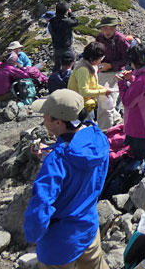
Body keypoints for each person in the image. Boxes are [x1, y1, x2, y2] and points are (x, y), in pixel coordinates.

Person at [24, 89, 110, 269]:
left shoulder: (56, 162)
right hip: (88, 226)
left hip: (60, 242)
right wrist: (51, 151)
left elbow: (41, 205)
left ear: (58, 122)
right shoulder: (98, 138)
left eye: (46, 116)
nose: (43, 119)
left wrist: (32, 235)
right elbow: (77, 159)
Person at [95, 17, 129, 124]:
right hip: (103, 73)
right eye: (104, 28)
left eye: (110, 28)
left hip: (117, 73)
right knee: (102, 102)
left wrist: (110, 65)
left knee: (109, 102)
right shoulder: (99, 37)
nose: (107, 31)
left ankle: (106, 129)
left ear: (115, 28)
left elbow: (128, 58)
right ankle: (118, 122)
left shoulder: (120, 40)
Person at [68, 42, 113, 122]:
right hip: (79, 107)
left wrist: (104, 89)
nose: (100, 62)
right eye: (100, 59)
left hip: (86, 105)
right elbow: (84, 92)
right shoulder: (83, 70)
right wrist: (103, 91)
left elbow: (92, 85)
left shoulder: (88, 66)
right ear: (93, 58)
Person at [49, 1, 79, 73]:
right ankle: (71, 79)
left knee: (57, 65)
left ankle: (53, 81)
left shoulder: (52, 21)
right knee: (71, 63)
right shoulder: (66, 22)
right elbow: (76, 22)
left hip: (56, 47)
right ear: (66, 11)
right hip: (66, 47)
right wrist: (70, 13)